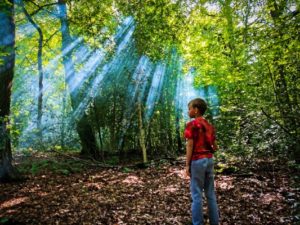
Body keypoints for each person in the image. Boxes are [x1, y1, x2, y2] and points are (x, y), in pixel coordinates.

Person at [184, 98, 219, 225]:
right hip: (209, 160)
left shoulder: (191, 125)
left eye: (190, 108)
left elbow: (189, 145)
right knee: (210, 194)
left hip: (197, 161)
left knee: (196, 195)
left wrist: (187, 165)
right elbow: (215, 147)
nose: (188, 111)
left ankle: (198, 223)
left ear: (196, 110)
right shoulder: (209, 126)